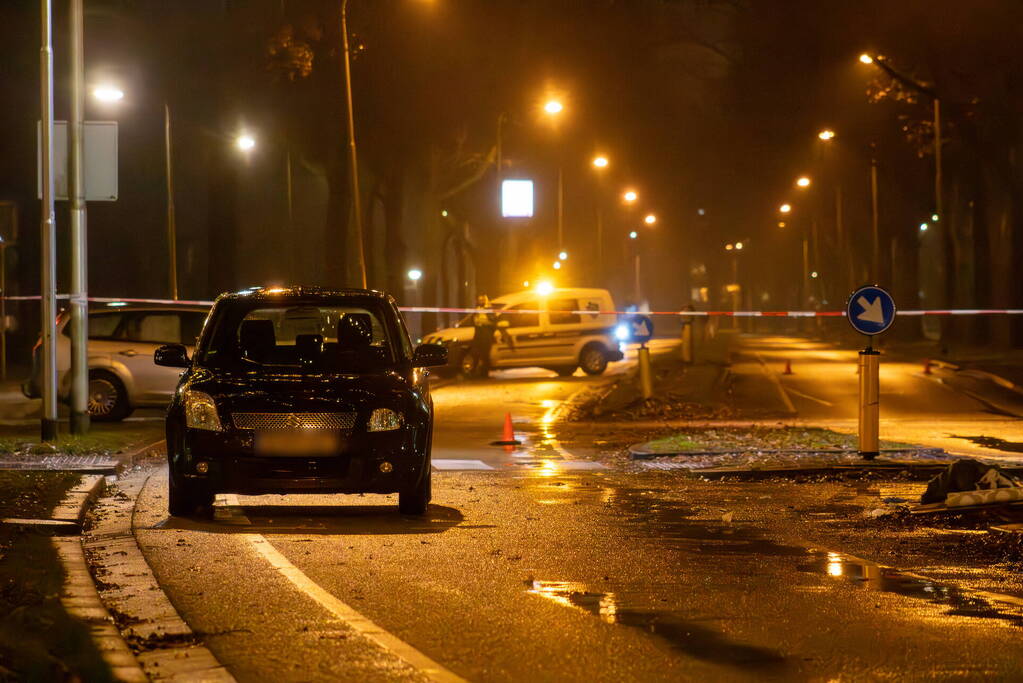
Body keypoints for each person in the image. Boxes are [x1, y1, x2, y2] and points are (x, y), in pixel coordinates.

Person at [466, 295, 513, 378]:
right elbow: (472, 322)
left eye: (482, 300)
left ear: (486, 300)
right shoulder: (476, 310)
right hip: (478, 336)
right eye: (479, 300)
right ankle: (474, 371)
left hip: (486, 336)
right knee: (475, 353)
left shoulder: (489, 311)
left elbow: (494, 322)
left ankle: (484, 373)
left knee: (485, 355)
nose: (481, 301)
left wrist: (485, 323)